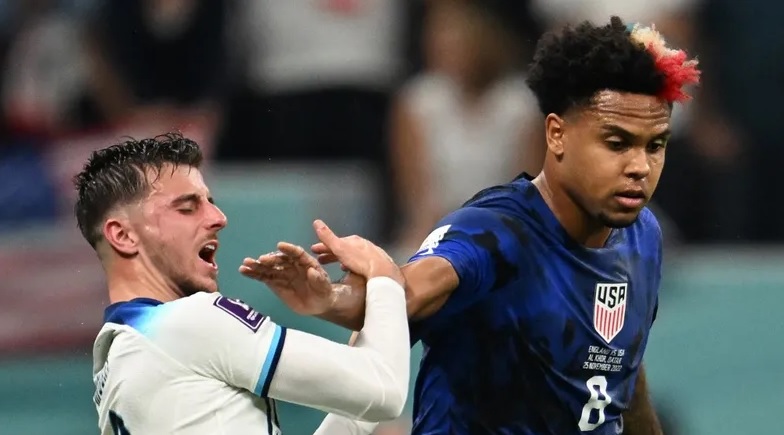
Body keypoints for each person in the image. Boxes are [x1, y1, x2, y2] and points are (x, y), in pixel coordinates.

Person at [241, 16, 701, 434]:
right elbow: (406, 294)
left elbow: (621, 369)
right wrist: (331, 298)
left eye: (655, 145)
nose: (640, 166)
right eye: (617, 143)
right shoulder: (494, 232)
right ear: (557, 134)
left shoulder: (643, 236)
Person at [73, 133, 411, 434]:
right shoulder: (192, 322)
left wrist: (349, 310)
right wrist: (383, 273)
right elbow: (385, 392)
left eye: (211, 203)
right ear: (123, 235)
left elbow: (370, 397)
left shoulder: (118, 357)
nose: (219, 218)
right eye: (187, 208)